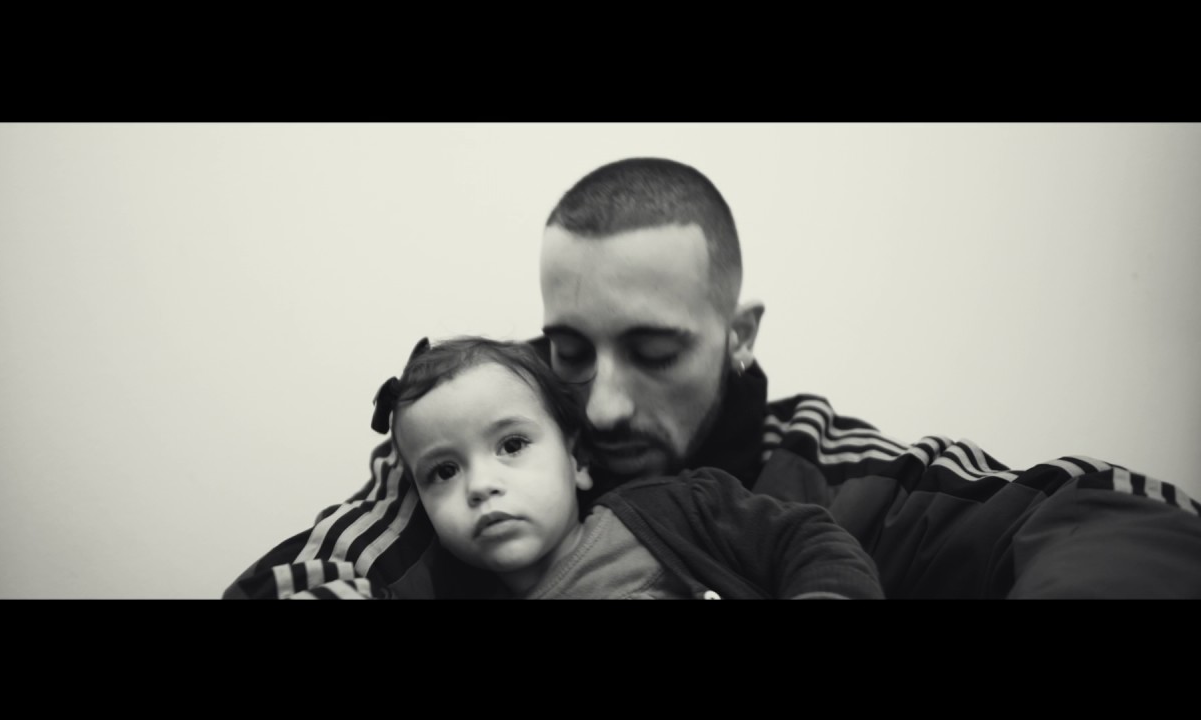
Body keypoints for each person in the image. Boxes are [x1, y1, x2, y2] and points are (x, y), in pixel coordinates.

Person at [224, 157, 1201, 600]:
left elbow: (1122, 511)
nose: (602, 403)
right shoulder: (473, 444)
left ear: (737, 336)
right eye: (570, 350)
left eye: (654, 353)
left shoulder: (832, 469)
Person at [371, 335, 883, 599]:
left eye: (512, 444)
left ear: (577, 460)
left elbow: (807, 540)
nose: (482, 485)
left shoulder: (675, 508)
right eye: (443, 472)